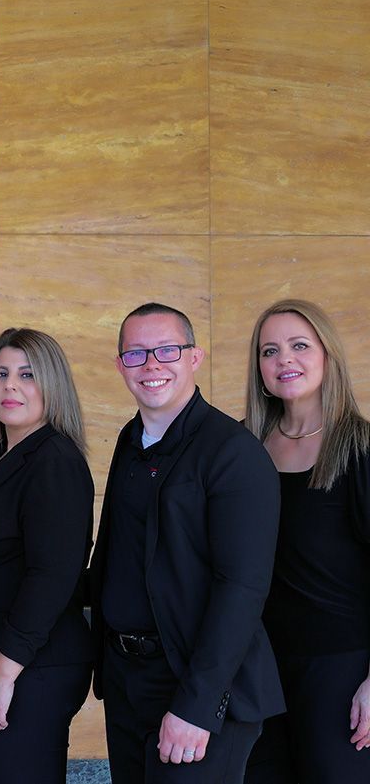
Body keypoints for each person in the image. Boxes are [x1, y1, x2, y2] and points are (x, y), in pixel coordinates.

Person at [90, 303, 284, 784]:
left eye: (166, 350)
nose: (151, 365)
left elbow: (242, 589)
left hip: (197, 688)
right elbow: (115, 557)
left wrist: (197, 706)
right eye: (136, 354)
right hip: (127, 682)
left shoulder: (233, 451)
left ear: (195, 357)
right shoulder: (129, 440)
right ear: (120, 365)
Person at [0, 328, 95, 784]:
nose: (10, 385)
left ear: (52, 384)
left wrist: (4, 675)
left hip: (27, 670)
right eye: (1, 374)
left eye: (27, 375)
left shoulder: (55, 460)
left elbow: (51, 576)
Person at [240, 300, 370, 784]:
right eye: (269, 350)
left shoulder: (359, 448)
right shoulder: (241, 448)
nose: (284, 360)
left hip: (339, 669)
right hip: (256, 665)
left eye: (299, 345)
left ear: (327, 354)